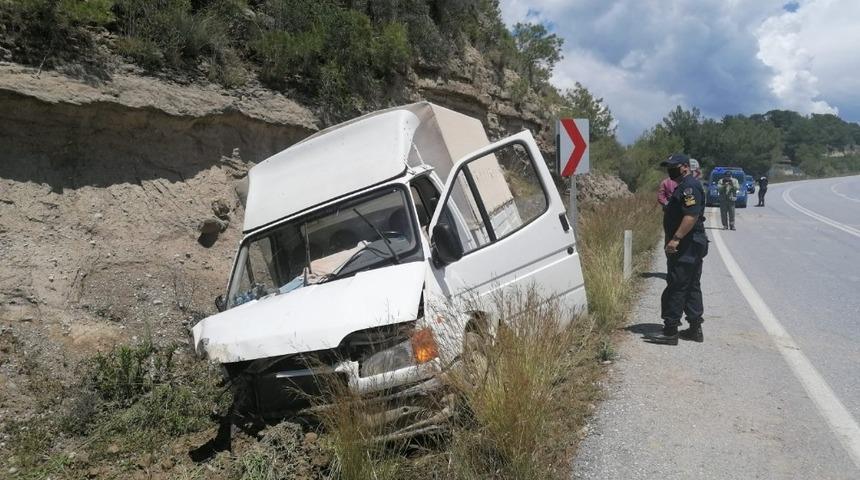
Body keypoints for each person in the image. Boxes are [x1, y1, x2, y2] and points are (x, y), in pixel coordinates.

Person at [645, 153, 708, 345]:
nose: (670, 169)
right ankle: (695, 328)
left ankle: (670, 331)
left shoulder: (689, 187)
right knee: (691, 286)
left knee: (677, 285)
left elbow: (691, 216)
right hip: (692, 244)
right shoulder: (685, 186)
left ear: (685, 167)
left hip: (686, 245)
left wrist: (675, 239)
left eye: (673, 166)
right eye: (668, 166)